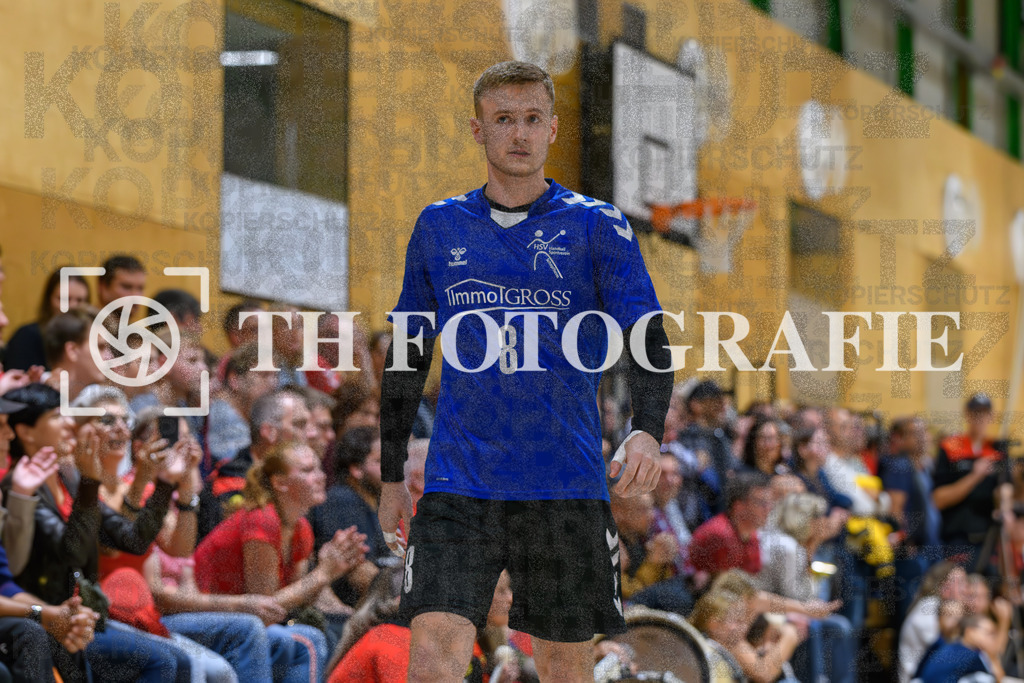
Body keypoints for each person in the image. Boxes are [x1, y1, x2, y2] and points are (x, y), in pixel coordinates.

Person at [378, 60, 674, 683]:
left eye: (533, 119)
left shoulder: (599, 224)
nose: (519, 133)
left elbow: (647, 336)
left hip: (563, 481)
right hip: (460, 481)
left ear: (554, 129)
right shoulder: (439, 224)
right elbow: (408, 352)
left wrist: (647, 428)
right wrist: (388, 475)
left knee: (565, 662)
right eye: (503, 119)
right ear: (478, 130)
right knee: (431, 649)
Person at [194, 441, 367, 679]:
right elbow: (267, 607)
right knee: (310, 640)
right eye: (307, 471)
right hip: (209, 616)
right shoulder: (262, 521)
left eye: (319, 468)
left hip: (245, 620)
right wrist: (323, 574)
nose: (320, 476)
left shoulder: (301, 527)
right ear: (280, 483)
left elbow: (298, 598)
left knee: (349, 627)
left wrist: (336, 581)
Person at [198, 388, 316, 539]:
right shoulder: (228, 485)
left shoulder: (297, 481)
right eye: (299, 424)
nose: (312, 434)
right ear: (269, 432)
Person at [308, 426, 387, 606]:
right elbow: (358, 571)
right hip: (348, 610)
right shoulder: (343, 501)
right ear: (357, 469)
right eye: (382, 460)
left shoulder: (375, 502)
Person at [932, 393, 1005, 572]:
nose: (980, 418)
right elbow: (938, 499)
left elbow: (1006, 490)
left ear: (991, 416)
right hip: (957, 539)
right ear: (967, 414)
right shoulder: (950, 447)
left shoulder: (998, 450)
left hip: (990, 538)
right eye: (975, 413)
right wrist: (975, 476)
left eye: (984, 413)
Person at [205, 342, 278, 466]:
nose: (273, 383)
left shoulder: (244, 411)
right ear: (235, 380)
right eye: (263, 375)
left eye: (275, 375)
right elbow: (241, 471)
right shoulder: (224, 417)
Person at [4, 267, 90, 371]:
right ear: (49, 300)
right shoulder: (27, 336)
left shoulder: (90, 341)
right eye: (64, 299)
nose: (71, 307)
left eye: (80, 300)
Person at [899, 561, 969, 683]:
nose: (967, 588)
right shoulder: (928, 607)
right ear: (944, 586)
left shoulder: (940, 606)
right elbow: (946, 656)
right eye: (960, 582)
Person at [41, 307, 114, 401]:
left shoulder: (105, 399)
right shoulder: (30, 402)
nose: (110, 356)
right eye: (100, 347)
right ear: (72, 351)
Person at [913, 613, 1003, 683]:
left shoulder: (948, 646)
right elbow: (997, 678)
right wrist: (993, 656)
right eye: (989, 633)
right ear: (970, 632)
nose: (992, 638)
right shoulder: (973, 656)